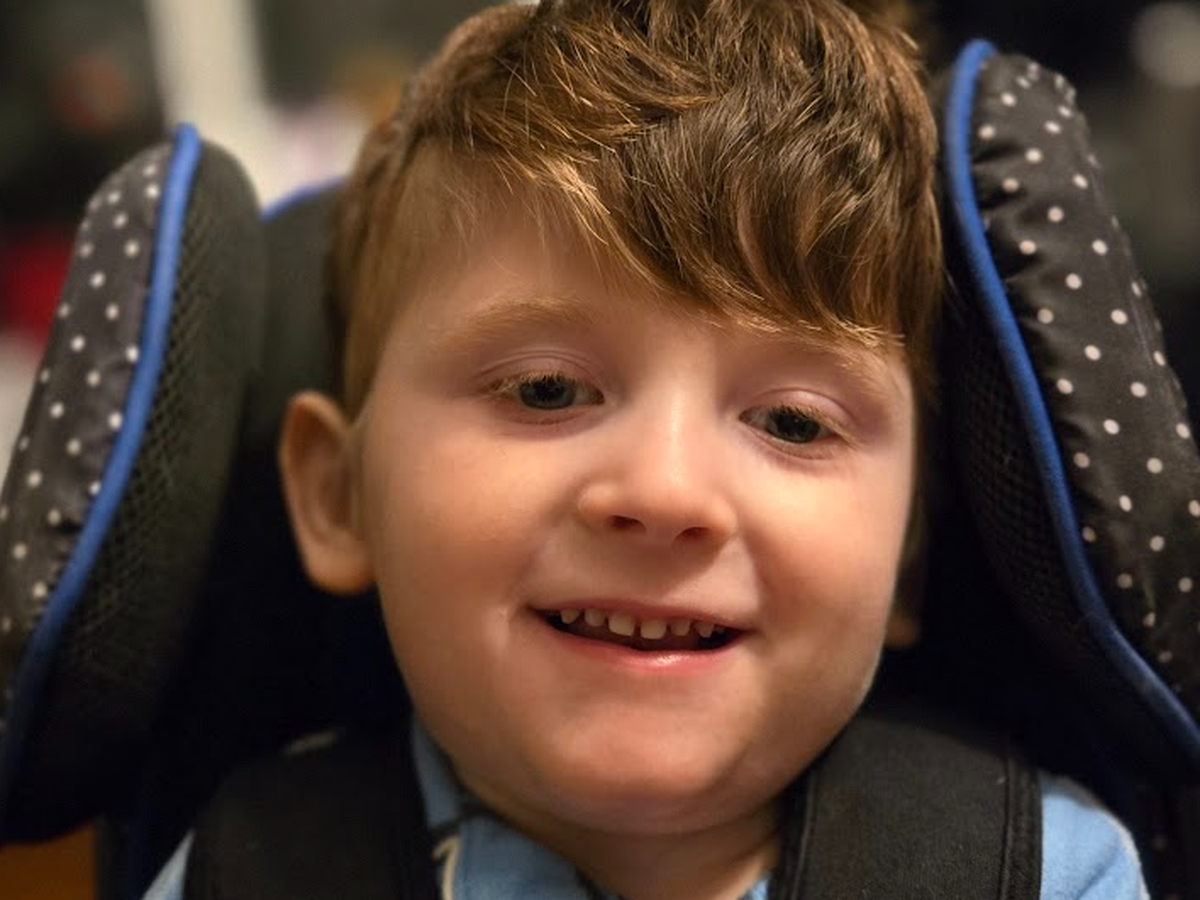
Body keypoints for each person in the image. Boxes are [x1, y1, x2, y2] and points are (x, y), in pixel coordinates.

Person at [144, 1, 1148, 897]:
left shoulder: (1044, 876)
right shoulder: (242, 874)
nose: (666, 491)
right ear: (340, 495)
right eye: (546, 390)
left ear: (909, 558)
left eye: (793, 422)